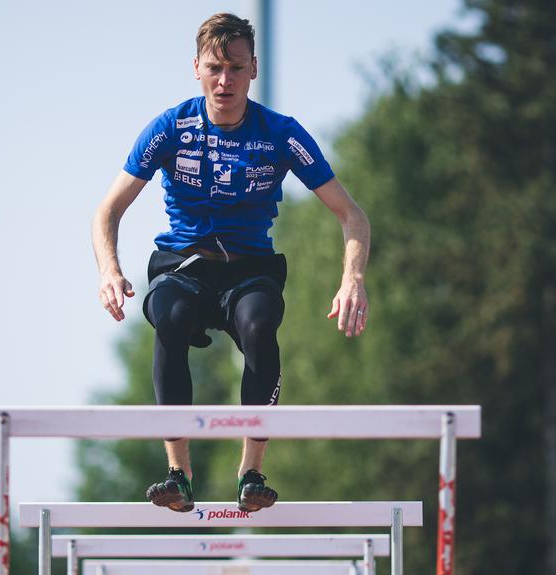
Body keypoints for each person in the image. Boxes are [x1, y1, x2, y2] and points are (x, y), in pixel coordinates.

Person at [92, 13, 370, 513]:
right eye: (215, 67)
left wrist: (352, 279)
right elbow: (107, 211)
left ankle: (251, 472)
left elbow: (352, 216)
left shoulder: (281, 133)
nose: (225, 81)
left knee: (261, 325)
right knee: (170, 319)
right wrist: (110, 270)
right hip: (183, 266)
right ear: (196, 68)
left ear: (254, 69)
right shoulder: (169, 129)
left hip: (249, 269)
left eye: (236, 68)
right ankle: (179, 472)